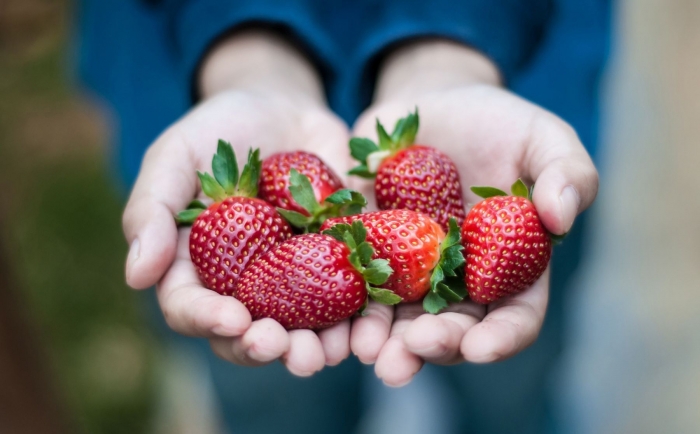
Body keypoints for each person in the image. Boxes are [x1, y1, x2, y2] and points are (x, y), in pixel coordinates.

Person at [77, 1, 610, 433]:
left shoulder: (488, 222)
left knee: (511, 395)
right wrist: (250, 56)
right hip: (190, 57)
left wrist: (450, 49)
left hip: (506, 74)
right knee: (272, 404)